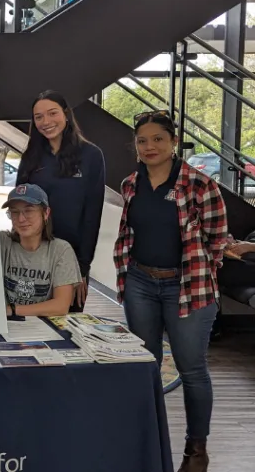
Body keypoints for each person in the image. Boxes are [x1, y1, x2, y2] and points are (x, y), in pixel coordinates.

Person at [113, 109, 228, 472]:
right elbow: (129, 233)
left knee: (191, 369)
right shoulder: (130, 184)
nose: (150, 146)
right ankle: (147, 443)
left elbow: (217, 240)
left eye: (158, 139)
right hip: (141, 284)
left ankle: (196, 451)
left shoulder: (199, 184)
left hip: (187, 287)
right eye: (143, 140)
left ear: (174, 142)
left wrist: (194, 272)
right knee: (145, 367)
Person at [16, 90, 105, 311]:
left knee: (68, 326)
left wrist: (82, 267)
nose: (46, 122)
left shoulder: (91, 155)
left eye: (52, 113)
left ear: (66, 114)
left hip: (71, 259)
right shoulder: (31, 157)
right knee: (28, 322)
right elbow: (19, 208)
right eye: (38, 117)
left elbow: (92, 215)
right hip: (34, 257)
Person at [0, 180, 81, 316]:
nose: (21, 219)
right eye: (14, 212)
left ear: (46, 213)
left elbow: (60, 306)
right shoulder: (3, 241)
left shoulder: (61, 250)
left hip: (43, 329)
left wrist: (11, 310)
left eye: (29, 210)